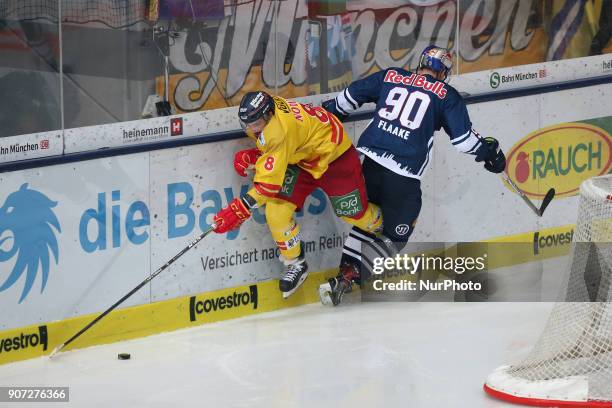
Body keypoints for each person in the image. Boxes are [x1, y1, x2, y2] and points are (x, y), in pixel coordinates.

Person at [319, 45, 506, 305]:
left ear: (421, 62)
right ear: (444, 73)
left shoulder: (390, 75)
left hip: (366, 164)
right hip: (402, 174)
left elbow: (348, 97)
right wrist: (490, 152)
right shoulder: (446, 94)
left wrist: (332, 110)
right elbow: (464, 141)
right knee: (396, 234)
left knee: (373, 222)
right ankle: (349, 275)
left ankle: (344, 276)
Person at [212, 91, 383, 298]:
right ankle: (296, 263)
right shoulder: (268, 112)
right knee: (276, 212)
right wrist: (260, 156)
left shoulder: (278, 131)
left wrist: (239, 209)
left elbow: (267, 186)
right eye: (246, 124)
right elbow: (280, 150)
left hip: (334, 157)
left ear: (268, 116)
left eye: (255, 124)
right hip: (302, 160)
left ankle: (386, 227)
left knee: (355, 215)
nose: (250, 129)